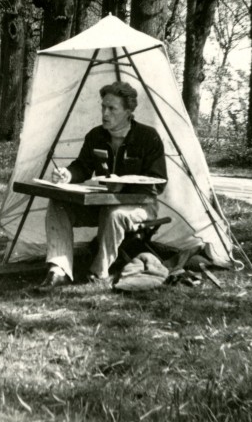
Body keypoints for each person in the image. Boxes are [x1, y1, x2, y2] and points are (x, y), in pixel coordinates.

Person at [39, 81, 167, 288]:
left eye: (112, 108)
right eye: (103, 107)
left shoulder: (148, 137)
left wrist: (123, 187)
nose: (105, 113)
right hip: (102, 203)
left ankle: (99, 272)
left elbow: (158, 182)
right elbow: (82, 166)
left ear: (128, 111)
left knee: (114, 214)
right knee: (58, 204)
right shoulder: (95, 136)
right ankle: (59, 269)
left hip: (141, 206)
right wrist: (68, 174)